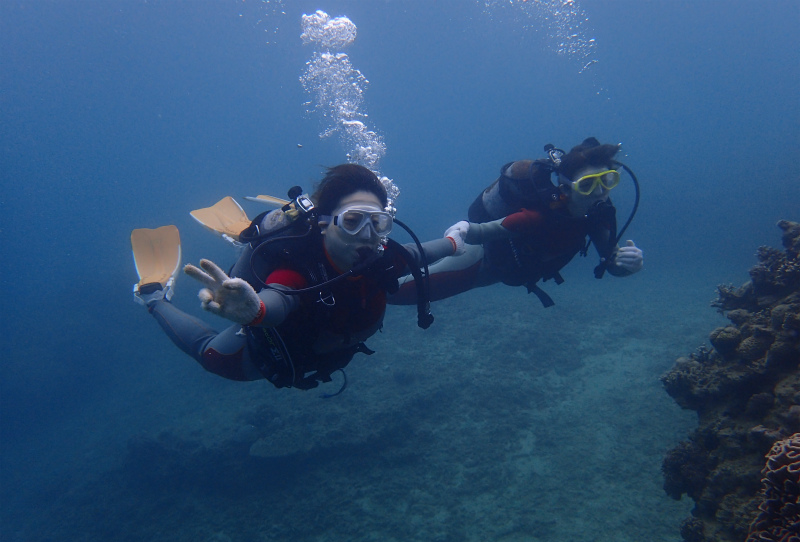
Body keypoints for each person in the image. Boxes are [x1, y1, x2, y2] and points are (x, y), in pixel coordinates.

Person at [132, 164, 466, 393]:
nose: (367, 235)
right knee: (211, 357)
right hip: (276, 352)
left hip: (329, 350)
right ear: (324, 223)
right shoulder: (298, 271)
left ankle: (271, 225)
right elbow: (279, 298)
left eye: (378, 223)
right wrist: (254, 311)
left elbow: (420, 253)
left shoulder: (383, 256)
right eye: (352, 221)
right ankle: (153, 297)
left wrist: (455, 241)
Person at [390, 137, 644, 307]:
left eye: (608, 180)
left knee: (395, 291)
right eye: (587, 185)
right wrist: (462, 229)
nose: (600, 192)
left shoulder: (599, 215)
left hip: (504, 271)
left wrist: (627, 265)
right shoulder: (541, 216)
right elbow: (480, 232)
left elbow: (611, 262)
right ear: (565, 188)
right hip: (481, 259)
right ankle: (372, 262)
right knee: (394, 291)